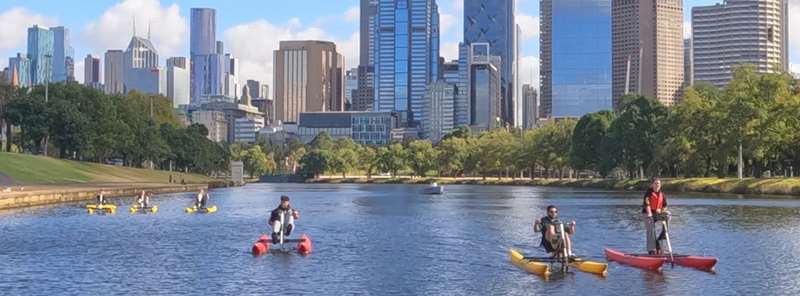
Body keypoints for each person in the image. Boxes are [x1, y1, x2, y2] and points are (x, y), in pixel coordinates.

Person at [642, 177, 670, 254]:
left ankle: (662, 236)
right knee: (651, 229)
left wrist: (661, 210)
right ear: (652, 184)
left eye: (658, 183)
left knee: (668, 216)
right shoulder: (648, 193)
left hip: (657, 213)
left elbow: (665, 206)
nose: (657, 185)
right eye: (655, 183)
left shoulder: (662, 194)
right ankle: (652, 250)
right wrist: (650, 214)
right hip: (647, 214)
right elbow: (647, 204)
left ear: (660, 185)